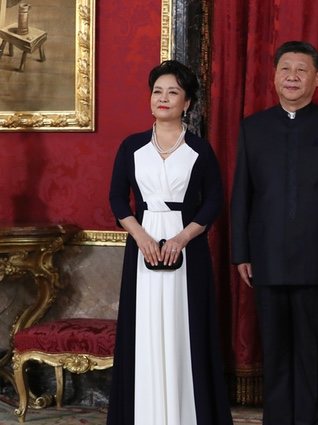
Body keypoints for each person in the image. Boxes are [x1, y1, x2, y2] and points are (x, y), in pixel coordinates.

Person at [230, 41, 318, 425]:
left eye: (301, 69)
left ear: (317, 78)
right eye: (285, 68)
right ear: (274, 75)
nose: (292, 76)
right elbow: (243, 194)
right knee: (275, 351)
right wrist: (241, 252)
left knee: (315, 352)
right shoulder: (253, 128)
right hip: (267, 259)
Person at [107, 60, 232, 425]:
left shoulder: (199, 150)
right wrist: (141, 235)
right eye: (157, 91)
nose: (163, 98)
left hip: (187, 248)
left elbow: (214, 201)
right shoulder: (130, 147)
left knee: (184, 330)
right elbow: (117, 198)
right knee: (142, 329)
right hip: (142, 245)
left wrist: (182, 237)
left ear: (187, 102)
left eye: (172, 92)